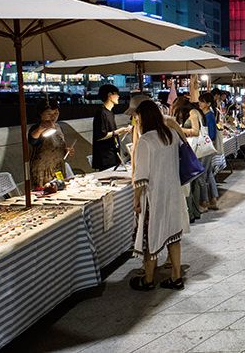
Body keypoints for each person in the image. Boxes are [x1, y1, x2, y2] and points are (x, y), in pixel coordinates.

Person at [130, 100, 184, 291]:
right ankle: (177, 277)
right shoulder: (171, 135)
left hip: (154, 196)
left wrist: (136, 199)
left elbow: (141, 176)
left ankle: (148, 279)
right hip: (173, 193)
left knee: (150, 236)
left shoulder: (146, 141)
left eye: (137, 118)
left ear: (143, 118)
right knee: (173, 235)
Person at [28, 99, 74, 187]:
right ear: (40, 114)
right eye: (49, 114)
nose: (53, 117)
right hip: (43, 172)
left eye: (56, 113)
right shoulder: (36, 128)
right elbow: (33, 140)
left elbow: (58, 144)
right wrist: (40, 129)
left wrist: (66, 150)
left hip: (58, 168)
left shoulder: (58, 127)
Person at [92, 84, 131, 171]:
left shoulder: (110, 112)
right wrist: (117, 132)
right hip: (105, 157)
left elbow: (111, 133)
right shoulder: (101, 113)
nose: (118, 96)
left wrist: (123, 131)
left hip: (113, 154)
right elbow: (100, 135)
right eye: (116, 94)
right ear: (110, 95)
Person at [195, 92, 220, 211]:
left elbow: (212, 134)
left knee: (202, 175)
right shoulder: (207, 114)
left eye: (202, 101)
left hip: (205, 148)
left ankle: (204, 201)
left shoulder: (208, 115)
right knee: (209, 173)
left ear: (208, 104)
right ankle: (214, 199)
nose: (200, 103)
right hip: (208, 147)